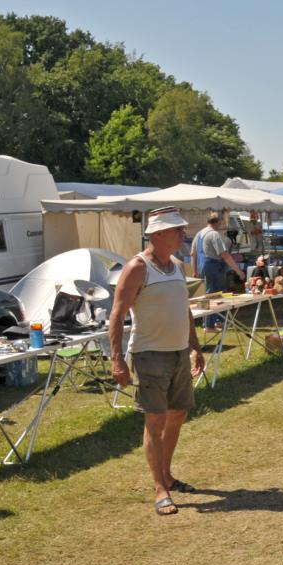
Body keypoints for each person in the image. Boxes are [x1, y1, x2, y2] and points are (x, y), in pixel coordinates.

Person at [108, 207, 206, 516]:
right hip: (149, 354)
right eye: (177, 230)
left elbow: (184, 309)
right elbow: (117, 314)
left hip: (178, 352)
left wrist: (195, 346)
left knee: (177, 415)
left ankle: (167, 474)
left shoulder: (177, 265)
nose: (182, 234)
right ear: (158, 233)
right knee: (155, 420)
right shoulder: (137, 267)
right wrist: (117, 360)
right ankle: (160, 488)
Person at [199, 215, 245, 330]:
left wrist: (195, 270)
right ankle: (211, 324)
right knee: (217, 295)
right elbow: (225, 255)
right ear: (218, 222)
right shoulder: (214, 234)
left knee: (208, 295)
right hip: (214, 266)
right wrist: (238, 271)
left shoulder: (200, 233)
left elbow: (193, 253)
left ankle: (212, 323)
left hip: (203, 266)